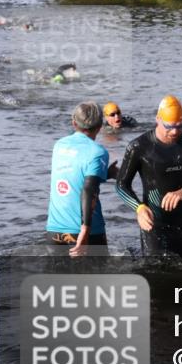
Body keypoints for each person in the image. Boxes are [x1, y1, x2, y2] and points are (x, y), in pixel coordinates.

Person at [115, 95, 182, 257]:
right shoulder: (139, 147)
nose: (175, 131)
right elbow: (121, 185)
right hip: (154, 222)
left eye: (180, 126)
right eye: (169, 126)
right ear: (158, 119)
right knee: (154, 272)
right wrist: (139, 208)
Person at [46, 102, 114, 256]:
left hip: (55, 231)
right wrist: (85, 230)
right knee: (100, 279)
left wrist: (106, 174)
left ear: (73, 122)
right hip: (85, 232)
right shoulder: (98, 152)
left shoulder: (59, 146)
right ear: (100, 126)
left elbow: (75, 176)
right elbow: (89, 189)